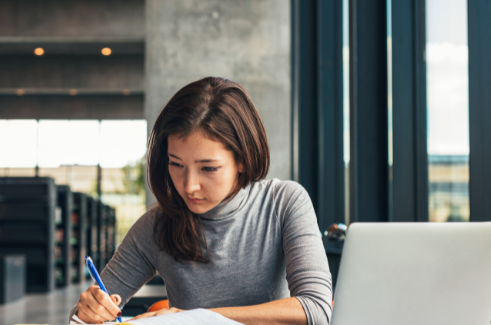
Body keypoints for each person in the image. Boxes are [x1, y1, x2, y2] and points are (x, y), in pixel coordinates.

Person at [71, 77, 332, 325]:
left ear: (242, 160)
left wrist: (193, 319)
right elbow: (82, 318)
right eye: (176, 164)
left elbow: (316, 309)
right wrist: (86, 312)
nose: (189, 186)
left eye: (208, 168)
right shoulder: (155, 226)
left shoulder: (284, 203)